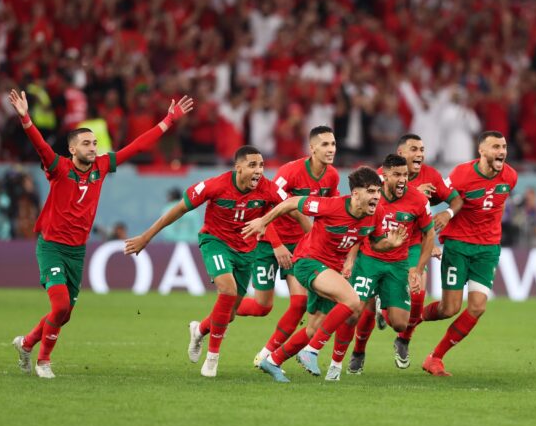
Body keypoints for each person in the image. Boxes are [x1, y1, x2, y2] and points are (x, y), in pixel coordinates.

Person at [10, 89, 194, 379]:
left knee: (65, 314)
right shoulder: (59, 168)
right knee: (60, 306)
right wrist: (26, 119)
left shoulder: (102, 166)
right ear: (72, 149)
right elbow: (41, 147)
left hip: (77, 250)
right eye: (86, 143)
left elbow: (136, 147)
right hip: (52, 247)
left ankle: (26, 343)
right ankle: (43, 361)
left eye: (94, 143)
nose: (93, 147)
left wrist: (168, 120)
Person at [123, 146, 302, 378]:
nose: (259, 171)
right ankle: (212, 358)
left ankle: (199, 329)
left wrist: (312, 238)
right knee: (227, 290)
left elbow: (293, 207)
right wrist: (146, 237)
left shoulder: (267, 188)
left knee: (230, 313)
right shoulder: (215, 186)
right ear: (238, 167)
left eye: (261, 165)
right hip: (215, 242)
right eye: (252, 165)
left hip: (246, 251)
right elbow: (178, 209)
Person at [241, 167, 407, 383]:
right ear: (355, 193)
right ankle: (312, 351)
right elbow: (293, 202)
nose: (376, 196)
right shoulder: (331, 205)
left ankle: (273, 361)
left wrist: (390, 244)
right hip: (308, 262)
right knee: (352, 300)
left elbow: (376, 244)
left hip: (331, 270)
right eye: (370, 191)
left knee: (313, 328)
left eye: (377, 191)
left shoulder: (377, 214)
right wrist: (264, 221)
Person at [346, 133, 463, 371]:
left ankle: (403, 339)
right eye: (414, 149)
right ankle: (358, 351)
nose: (420, 154)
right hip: (376, 245)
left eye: (422, 149)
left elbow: (456, 200)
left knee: (417, 296)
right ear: (400, 154)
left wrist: (447, 213)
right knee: (364, 308)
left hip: (412, 245)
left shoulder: (432, 176)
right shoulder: (379, 178)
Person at [325, 154, 435, 380]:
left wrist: (417, 270)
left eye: (405, 175)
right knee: (352, 313)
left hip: (398, 264)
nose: (403, 179)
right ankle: (340, 362)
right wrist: (350, 259)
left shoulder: (418, 200)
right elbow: (357, 225)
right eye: (397, 175)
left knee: (400, 323)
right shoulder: (372, 195)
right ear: (385, 176)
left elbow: (429, 234)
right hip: (369, 260)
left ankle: (381, 306)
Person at [417, 131, 518, 376]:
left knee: (477, 307)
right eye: (495, 147)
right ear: (481, 151)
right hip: (459, 245)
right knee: (449, 309)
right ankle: (412, 318)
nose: (501, 152)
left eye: (503, 147)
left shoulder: (510, 176)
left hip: (488, 249)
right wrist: (424, 199)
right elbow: (440, 197)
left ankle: (435, 357)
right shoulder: (461, 174)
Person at [238, 126, 340, 368]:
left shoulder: (332, 176)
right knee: (261, 306)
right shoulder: (290, 172)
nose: (331, 149)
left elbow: (330, 209)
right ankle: (226, 306)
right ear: (312, 148)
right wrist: (277, 244)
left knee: (299, 302)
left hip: (299, 246)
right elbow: (265, 207)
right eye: (325, 144)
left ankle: (267, 353)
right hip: (269, 242)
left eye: (333, 144)